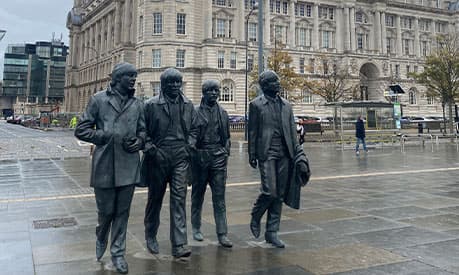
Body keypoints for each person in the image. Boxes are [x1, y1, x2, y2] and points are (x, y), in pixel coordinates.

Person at [75, 62, 146, 274]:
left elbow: (143, 131)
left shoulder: (138, 103)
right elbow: (81, 129)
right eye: (129, 76)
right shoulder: (98, 100)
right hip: (104, 164)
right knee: (106, 212)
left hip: (128, 164)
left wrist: (140, 142)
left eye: (135, 75)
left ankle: (118, 253)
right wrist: (103, 136)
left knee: (122, 213)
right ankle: (101, 235)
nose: (133, 79)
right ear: (116, 78)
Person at [248, 70, 311, 248]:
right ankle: (256, 213)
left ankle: (272, 232)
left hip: (285, 154)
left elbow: (292, 133)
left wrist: (299, 155)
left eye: (278, 81)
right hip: (266, 152)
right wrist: (251, 154)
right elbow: (252, 132)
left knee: (280, 195)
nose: (278, 84)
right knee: (269, 191)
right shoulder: (256, 105)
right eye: (274, 82)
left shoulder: (287, 106)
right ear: (265, 85)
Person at [141, 68, 198, 258]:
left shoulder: (189, 105)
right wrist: (151, 149)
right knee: (155, 199)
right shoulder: (150, 105)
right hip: (158, 156)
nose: (175, 86)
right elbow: (142, 132)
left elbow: (195, 129)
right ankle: (151, 235)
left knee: (179, 199)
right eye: (170, 82)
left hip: (180, 157)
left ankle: (179, 243)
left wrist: (190, 144)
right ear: (163, 84)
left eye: (177, 82)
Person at [191, 80, 232, 248]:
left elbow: (227, 137)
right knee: (197, 195)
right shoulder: (195, 111)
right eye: (210, 91)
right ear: (204, 92)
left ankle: (222, 233)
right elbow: (191, 133)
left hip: (218, 158)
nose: (214, 93)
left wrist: (225, 151)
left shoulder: (223, 112)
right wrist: (192, 148)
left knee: (219, 198)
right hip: (200, 157)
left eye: (216, 90)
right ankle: (196, 227)